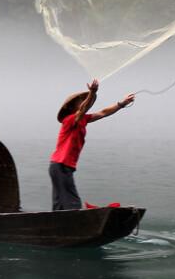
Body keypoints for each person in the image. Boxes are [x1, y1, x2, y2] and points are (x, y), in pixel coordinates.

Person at [49, 79, 135, 211]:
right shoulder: (70, 119)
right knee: (72, 203)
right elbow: (84, 108)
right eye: (80, 101)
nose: (83, 102)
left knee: (60, 204)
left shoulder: (83, 119)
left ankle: (56, 226)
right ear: (72, 107)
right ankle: (73, 226)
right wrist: (92, 92)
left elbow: (103, 113)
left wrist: (122, 103)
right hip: (61, 165)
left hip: (60, 166)